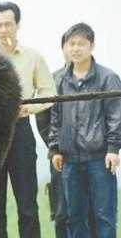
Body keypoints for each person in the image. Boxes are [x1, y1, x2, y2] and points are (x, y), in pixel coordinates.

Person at [0, 1, 56, 238]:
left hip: (20, 133)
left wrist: (28, 107)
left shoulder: (33, 57)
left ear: (18, 25)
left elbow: (49, 93)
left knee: (27, 204)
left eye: (8, 24)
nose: (3, 30)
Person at [49, 22, 121, 238]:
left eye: (81, 43)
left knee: (105, 216)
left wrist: (113, 148)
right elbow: (55, 117)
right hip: (69, 160)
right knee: (75, 216)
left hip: (100, 158)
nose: (76, 48)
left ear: (92, 45)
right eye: (72, 44)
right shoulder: (59, 79)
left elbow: (116, 116)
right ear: (66, 47)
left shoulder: (108, 78)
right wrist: (56, 149)